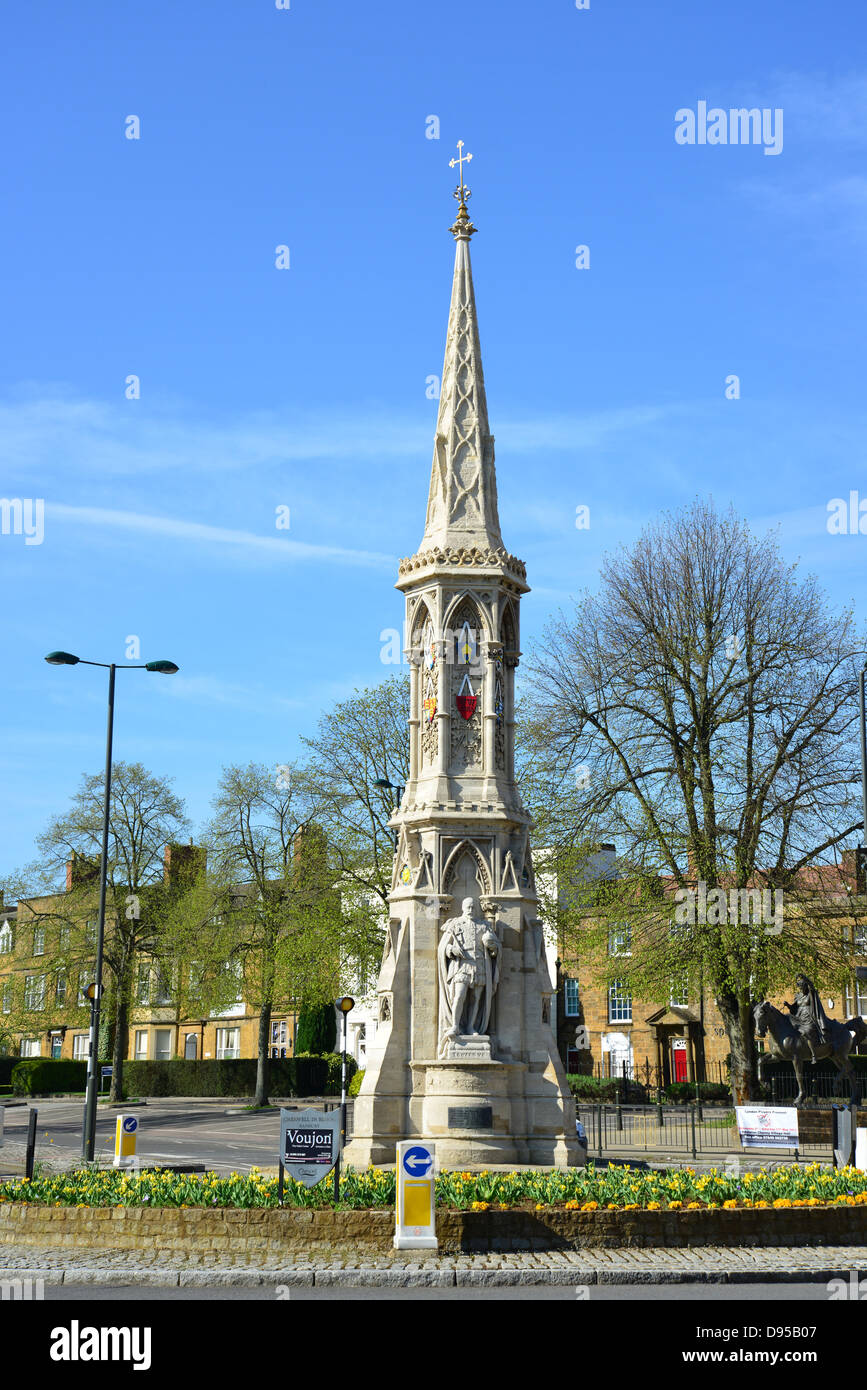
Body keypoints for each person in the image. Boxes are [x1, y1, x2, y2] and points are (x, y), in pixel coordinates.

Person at [784, 974, 830, 1064]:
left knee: (806, 1032)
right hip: (799, 1018)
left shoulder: (811, 994)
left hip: (810, 1018)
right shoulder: (798, 996)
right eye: (800, 988)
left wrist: (805, 978)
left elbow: (812, 985)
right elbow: (794, 1008)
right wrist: (788, 1005)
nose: (802, 989)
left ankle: (814, 1055)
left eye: (803, 987)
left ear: (806, 986)